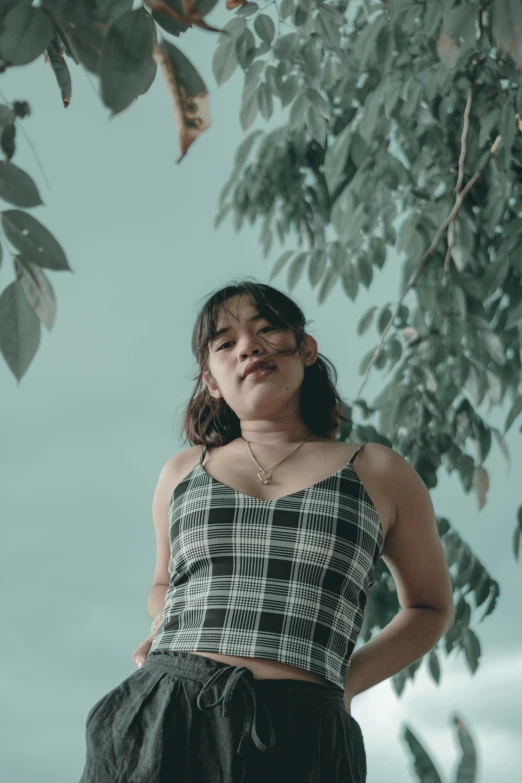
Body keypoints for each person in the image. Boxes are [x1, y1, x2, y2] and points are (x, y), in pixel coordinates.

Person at [79, 279, 393, 783]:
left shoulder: (376, 469)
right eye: (226, 343)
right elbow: (164, 582)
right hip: (171, 712)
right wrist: (161, 625)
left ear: (306, 348)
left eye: (267, 328)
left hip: (304, 727)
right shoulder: (183, 470)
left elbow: (430, 606)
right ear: (211, 380)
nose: (248, 345)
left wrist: (349, 681)